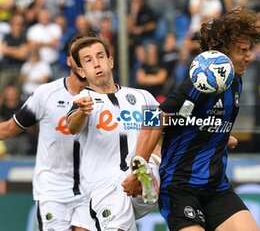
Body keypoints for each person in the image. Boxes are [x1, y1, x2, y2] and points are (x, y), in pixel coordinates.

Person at [123, 6, 260, 231]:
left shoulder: (236, 82)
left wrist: (220, 135)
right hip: (181, 188)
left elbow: (198, 120)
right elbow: (155, 118)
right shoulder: (202, 81)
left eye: (248, 50)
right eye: (242, 51)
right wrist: (137, 171)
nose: (248, 57)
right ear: (225, 52)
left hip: (216, 187)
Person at [0, 34, 96, 231]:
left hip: (90, 188)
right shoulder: (45, 94)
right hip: (53, 189)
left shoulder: (104, 98)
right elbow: (10, 128)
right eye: (79, 56)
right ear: (69, 61)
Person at [66, 35, 161, 231]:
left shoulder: (142, 96)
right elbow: (71, 126)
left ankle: (146, 174)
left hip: (139, 182)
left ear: (110, 61)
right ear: (81, 71)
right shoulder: (84, 99)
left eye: (100, 56)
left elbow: (158, 131)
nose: (96, 64)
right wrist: (82, 112)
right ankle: (146, 174)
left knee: (153, 155)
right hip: (106, 188)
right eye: (88, 60)